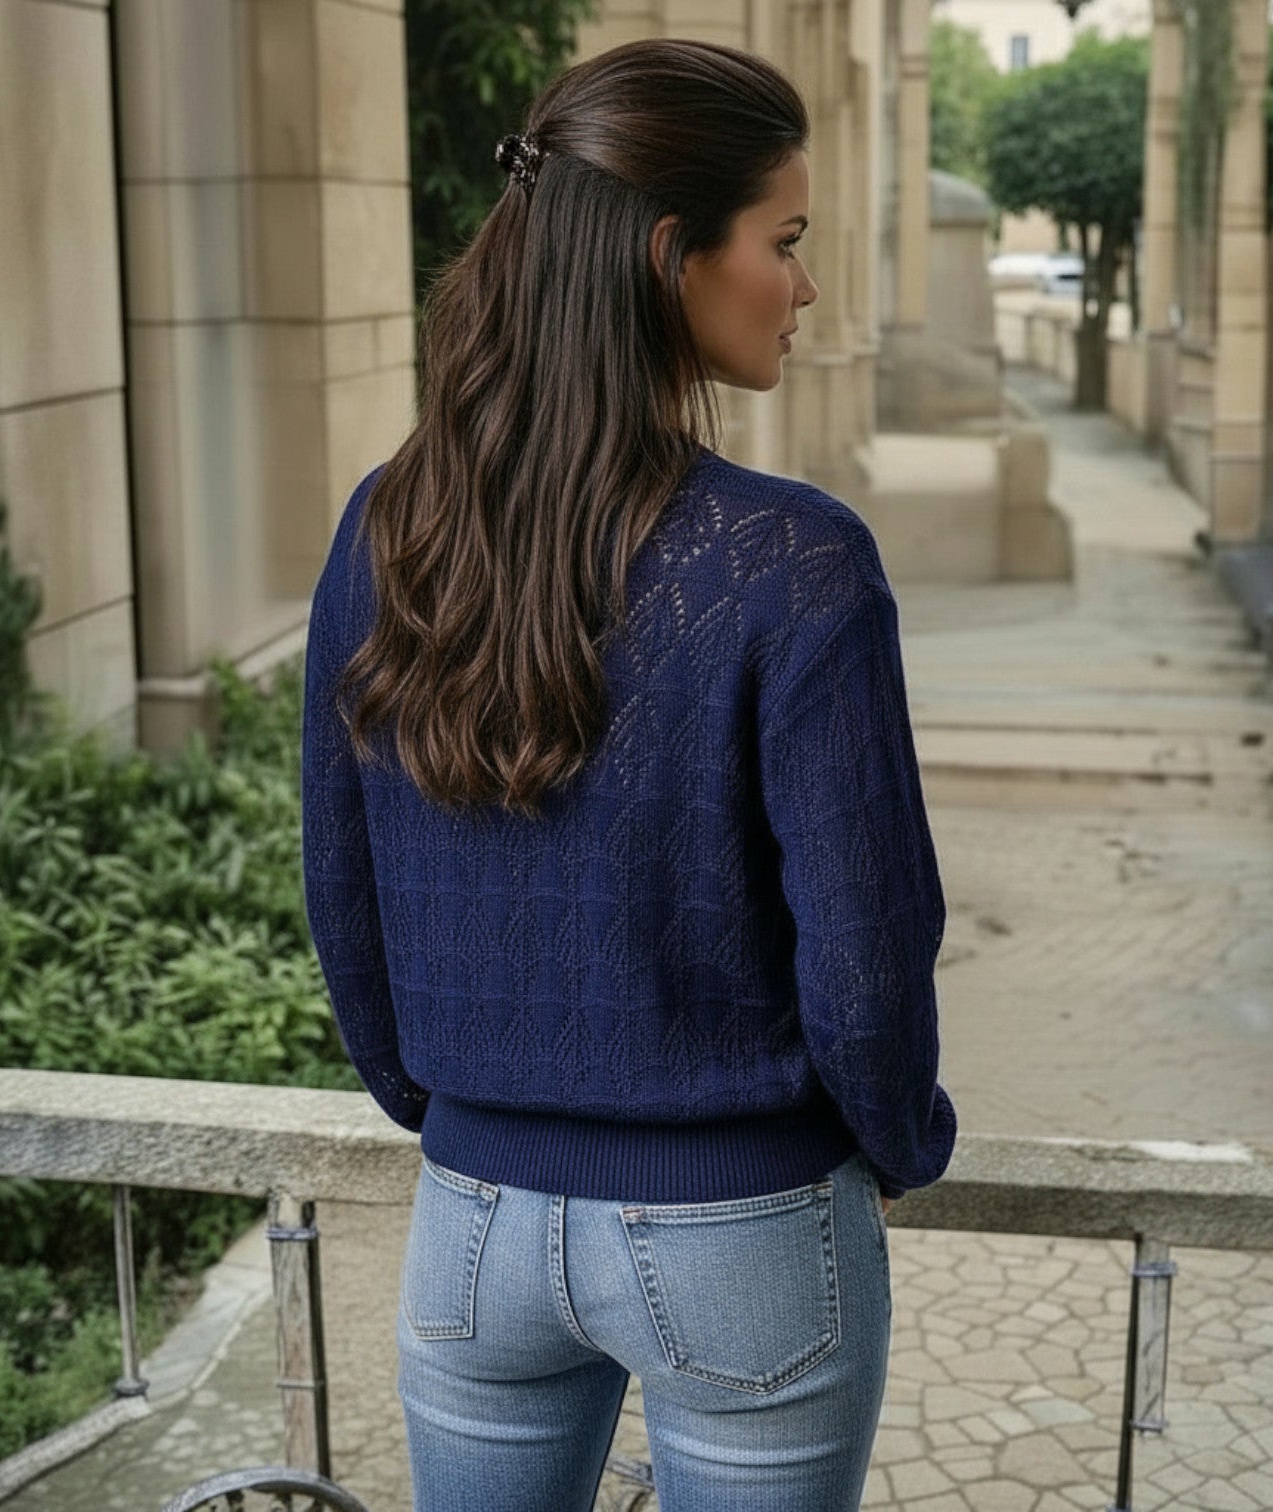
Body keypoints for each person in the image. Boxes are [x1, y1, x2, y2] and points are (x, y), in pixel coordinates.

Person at [300, 35, 956, 1512]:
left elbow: (340, 890)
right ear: (672, 254)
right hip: (744, 1227)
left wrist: (462, 1117)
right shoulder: (797, 561)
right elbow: (868, 948)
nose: (804, 286)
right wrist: (901, 1142)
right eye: (784, 240)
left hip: (471, 1229)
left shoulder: (391, 528)